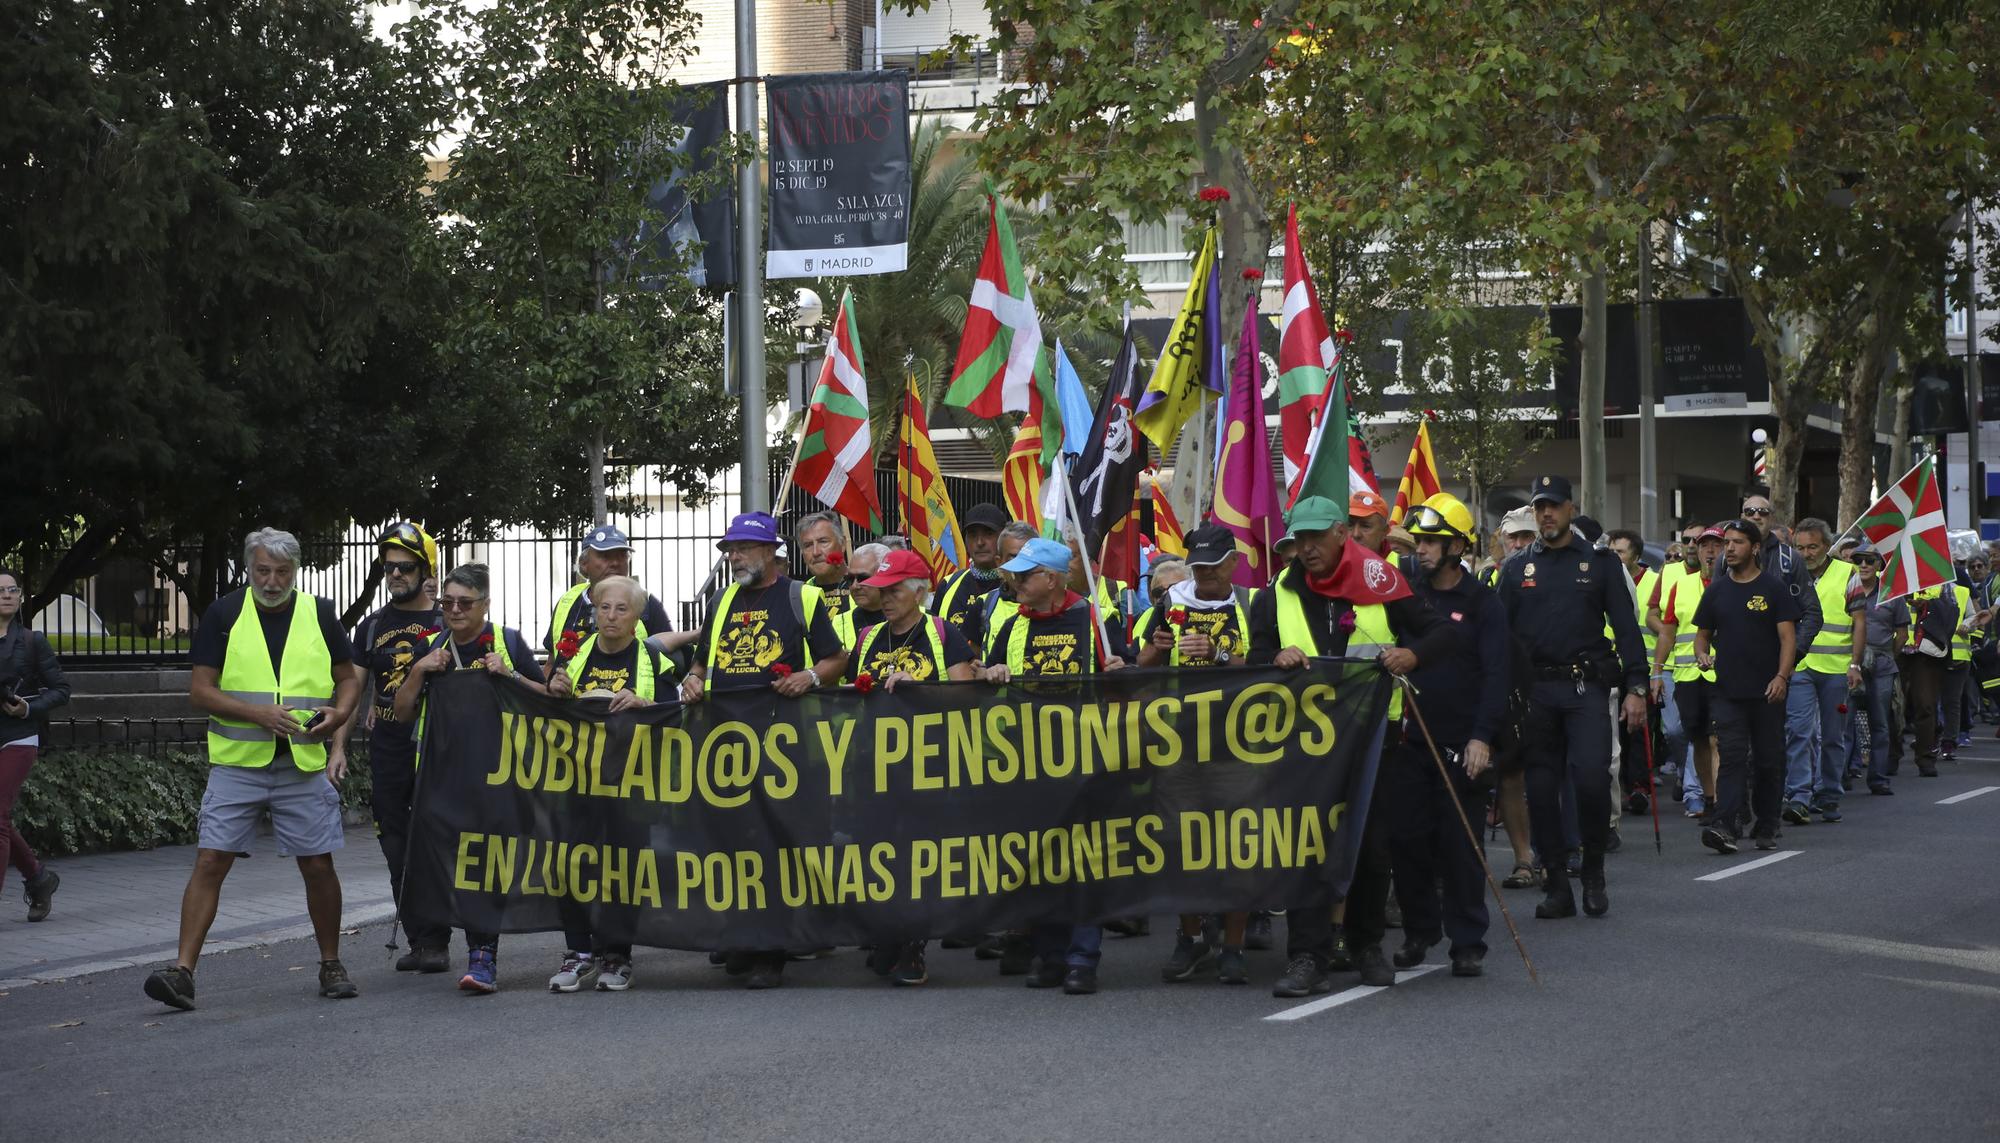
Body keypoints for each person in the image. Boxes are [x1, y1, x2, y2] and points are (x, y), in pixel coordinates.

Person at [146, 529, 363, 1011]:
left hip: (302, 763)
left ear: (296, 570)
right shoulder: (224, 613)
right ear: (249, 569)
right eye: (263, 570)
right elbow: (201, 691)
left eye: (281, 571)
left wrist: (340, 713)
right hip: (238, 765)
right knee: (210, 862)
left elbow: (348, 678)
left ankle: (331, 963)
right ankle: (182, 972)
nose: (271, 580)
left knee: (318, 864)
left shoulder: (319, 612)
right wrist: (257, 714)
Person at [1247, 495, 1451, 997]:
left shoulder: (1382, 581)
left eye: (1318, 537)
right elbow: (1254, 655)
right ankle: (1307, 957)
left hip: (1374, 741)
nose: (1308, 548)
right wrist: (1275, 655)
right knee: (1306, 851)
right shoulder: (1278, 592)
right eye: (1300, 539)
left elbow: (1440, 633)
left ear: (1342, 533)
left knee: (1371, 850)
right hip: (1304, 747)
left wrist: (1412, 654)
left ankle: (1365, 947)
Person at [680, 511, 846, 989]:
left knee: (774, 842)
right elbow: (701, 657)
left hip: (782, 744)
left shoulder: (802, 598)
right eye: (729, 549)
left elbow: (837, 658)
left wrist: (809, 676)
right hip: (724, 742)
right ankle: (741, 934)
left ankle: (772, 947)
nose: (733, 557)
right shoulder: (722, 600)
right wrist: (693, 677)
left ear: (772, 553)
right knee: (732, 842)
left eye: (742, 549)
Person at [980, 537, 1130, 995]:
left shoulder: (1094, 620)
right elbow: (988, 680)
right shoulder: (1011, 625)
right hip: (1030, 764)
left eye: (1026, 576)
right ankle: (1049, 955)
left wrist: (1121, 673)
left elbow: (1123, 683)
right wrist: (993, 674)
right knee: (1039, 863)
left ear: (1052, 578)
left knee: (1084, 862)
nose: (1017, 583)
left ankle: (1083, 958)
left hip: (1085, 761)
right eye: (1016, 575)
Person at [1495, 476, 1648, 921]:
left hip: (1585, 688)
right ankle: (1557, 884)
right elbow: (1498, 637)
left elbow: (1625, 630)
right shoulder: (1516, 568)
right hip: (1536, 693)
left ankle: (1594, 871)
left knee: (1590, 780)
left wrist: (1637, 687)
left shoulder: (1598, 563)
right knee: (1540, 791)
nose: (1546, 514)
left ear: (1569, 509)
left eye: (1554, 506)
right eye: (1540, 506)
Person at [392, 563, 547, 992]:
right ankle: (441, 941)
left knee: (484, 863)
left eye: (465, 602)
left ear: (485, 604)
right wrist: (420, 670)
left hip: (497, 775)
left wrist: (510, 674)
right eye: (448, 602)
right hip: (441, 777)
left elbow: (551, 699)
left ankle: (483, 956)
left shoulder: (507, 643)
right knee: (447, 863)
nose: (455, 610)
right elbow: (402, 712)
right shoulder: (431, 647)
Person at [848, 549, 979, 987]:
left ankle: (913, 946)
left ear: (920, 592)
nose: (884, 598)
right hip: (874, 767)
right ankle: (888, 933)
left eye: (895, 589)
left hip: (929, 766)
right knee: (877, 856)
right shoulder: (867, 638)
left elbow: (965, 697)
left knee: (918, 859)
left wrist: (918, 687)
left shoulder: (944, 635)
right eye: (881, 590)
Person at [1390, 494, 1507, 978]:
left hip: (1463, 741)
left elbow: (1498, 674)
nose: (1421, 549)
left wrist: (1483, 738)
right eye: (1418, 540)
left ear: (1458, 545)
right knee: (1407, 838)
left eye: (1433, 541)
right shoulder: (1405, 594)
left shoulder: (1484, 603)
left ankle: (1467, 940)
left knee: (1461, 844)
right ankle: (1420, 930)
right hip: (1409, 737)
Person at [541, 574, 675, 993]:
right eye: (604, 607)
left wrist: (644, 703)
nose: (612, 616)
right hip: (578, 781)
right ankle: (578, 953)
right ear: (594, 611)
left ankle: (617, 956)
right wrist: (554, 687)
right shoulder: (576, 655)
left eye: (622, 609)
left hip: (632, 783)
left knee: (624, 870)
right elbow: (553, 710)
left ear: (637, 618)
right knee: (570, 865)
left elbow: (678, 713)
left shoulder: (652, 659)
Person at [1137, 525, 1254, 985]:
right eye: (1196, 563)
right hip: (1180, 744)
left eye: (1211, 563)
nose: (1202, 572)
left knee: (1238, 844)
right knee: (1180, 841)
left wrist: (1219, 654)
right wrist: (1157, 649)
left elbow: (1268, 660)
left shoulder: (1250, 603)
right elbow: (1140, 661)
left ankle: (1234, 944)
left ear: (1232, 563)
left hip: (1237, 744)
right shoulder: (1171, 601)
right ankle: (1189, 938)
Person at [338, 521, 445, 971]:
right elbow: (351, 689)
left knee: (436, 840)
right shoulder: (373, 626)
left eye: (405, 567)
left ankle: (438, 938)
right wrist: (337, 747)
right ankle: (422, 939)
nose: (396, 575)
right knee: (394, 843)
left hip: (437, 748)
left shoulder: (446, 621)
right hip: (388, 747)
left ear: (426, 571)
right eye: (389, 568)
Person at [1694, 519, 1800, 853]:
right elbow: (1702, 636)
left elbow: (1788, 639)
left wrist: (1782, 677)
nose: (1729, 548)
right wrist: (1701, 655)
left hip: (1768, 692)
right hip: (1728, 691)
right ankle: (1725, 825)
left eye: (1738, 542)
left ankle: (1767, 823)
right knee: (1732, 757)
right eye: (1727, 543)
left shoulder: (1773, 588)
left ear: (1755, 548)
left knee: (1768, 759)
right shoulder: (1716, 590)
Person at [0, 566, 70, 921]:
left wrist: (28, 706)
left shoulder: (31, 641)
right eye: (0, 590)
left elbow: (61, 690)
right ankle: (38, 878)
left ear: (21, 596)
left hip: (18, 736)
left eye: (12, 589)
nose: (6, 595)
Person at [1783, 519, 1864, 824]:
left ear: (1827, 545)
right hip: (1799, 666)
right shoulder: (1789, 574)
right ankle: (1799, 796)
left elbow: (1859, 621)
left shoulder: (1847, 574)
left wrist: (1855, 664)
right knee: (1799, 732)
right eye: (1800, 547)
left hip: (1836, 670)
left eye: (1813, 546)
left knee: (1832, 736)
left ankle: (1829, 794)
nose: (1806, 553)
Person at [1653, 526, 1726, 820]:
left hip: (1724, 677)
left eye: (1716, 545)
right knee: (1697, 739)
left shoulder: (1735, 584)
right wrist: (1657, 673)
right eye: (1704, 545)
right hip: (1686, 676)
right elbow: (1667, 634)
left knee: (1716, 739)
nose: (1710, 550)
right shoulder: (1680, 586)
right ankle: (1709, 799)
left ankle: (1722, 805)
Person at [544, 525, 676, 661]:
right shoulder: (567, 601)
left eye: (621, 556)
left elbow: (667, 660)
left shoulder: (646, 604)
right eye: (605, 556)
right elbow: (552, 662)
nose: (615, 563)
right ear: (584, 564)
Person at [1847, 545, 1908, 796]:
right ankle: (1839, 778)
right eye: (1859, 560)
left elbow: (1902, 634)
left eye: (1869, 561)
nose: (1863, 565)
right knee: (1845, 722)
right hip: (1849, 663)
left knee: (1880, 723)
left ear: (1879, 565)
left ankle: (1878, 779)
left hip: (1882, 665)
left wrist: (1886, 656)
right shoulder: (1847, 590)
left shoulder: (1892, 594)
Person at [932, 503, 1011, 650]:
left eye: (988, 533)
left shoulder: (1017, 586)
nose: (980, 542)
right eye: (973, 534)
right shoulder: (947, 585)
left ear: (1003, 537)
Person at [1901, 581, 1957, 778]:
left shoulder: (1941, 581)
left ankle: (1925, 757)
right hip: (1894, 648)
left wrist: (1926, 606)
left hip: (1926, 653)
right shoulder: (1891, 573)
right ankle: (1891, 756)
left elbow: (1952, 613)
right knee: (1891, 707)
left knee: (1925, 705)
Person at [795, 510, 856, 622]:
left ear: (842, 544)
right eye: (808, 545)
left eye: (823, 542)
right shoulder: (797, 596)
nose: (816, 552)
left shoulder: (863, 586)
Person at [834, 543, 892, 647]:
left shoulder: (915, 617)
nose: (855, 586)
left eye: (863, 578)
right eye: (850, 579)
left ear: (885, 576)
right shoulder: (837, 623)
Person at [1350, 490, 1391, 555]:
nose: (1356, 534)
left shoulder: (1402, 564)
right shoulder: (1330, 563)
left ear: (1384, 532)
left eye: (1365, 526)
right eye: (1349, 525)